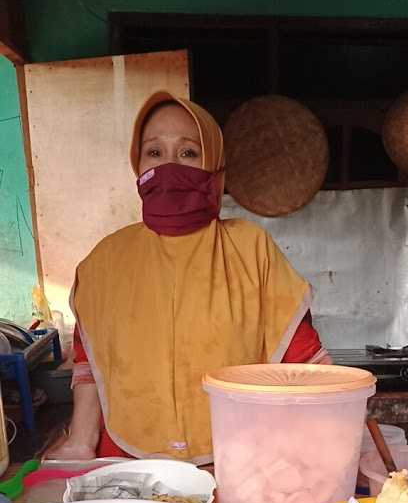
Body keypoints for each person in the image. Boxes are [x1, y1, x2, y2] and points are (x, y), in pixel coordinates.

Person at [47, 91, 330, 463]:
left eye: (188, 153)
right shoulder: (104, 262)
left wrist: (339, 436)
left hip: (239, 461)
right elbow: (92, 359)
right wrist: (81, 440)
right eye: (154, 152)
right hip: (130, 465)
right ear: (138, 164)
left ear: (214, 166)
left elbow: (304, 358)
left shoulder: (250, 249)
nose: (169, 167)